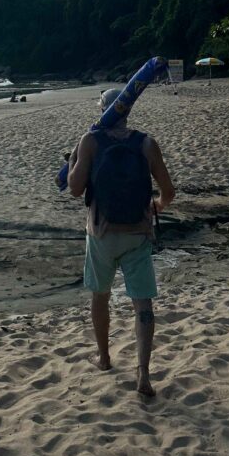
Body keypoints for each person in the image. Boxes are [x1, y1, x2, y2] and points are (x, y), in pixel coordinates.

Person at [67, 88, 175, 397]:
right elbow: (168, 191)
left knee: (100, 296)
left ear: (102, 111)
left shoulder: (90, 141)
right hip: (137, 233)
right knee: (142, 303)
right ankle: (143, 371)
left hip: (101, 233)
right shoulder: (146, 144)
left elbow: (75, 188)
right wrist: (158, 204)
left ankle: (104, 358)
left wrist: (75, 156)